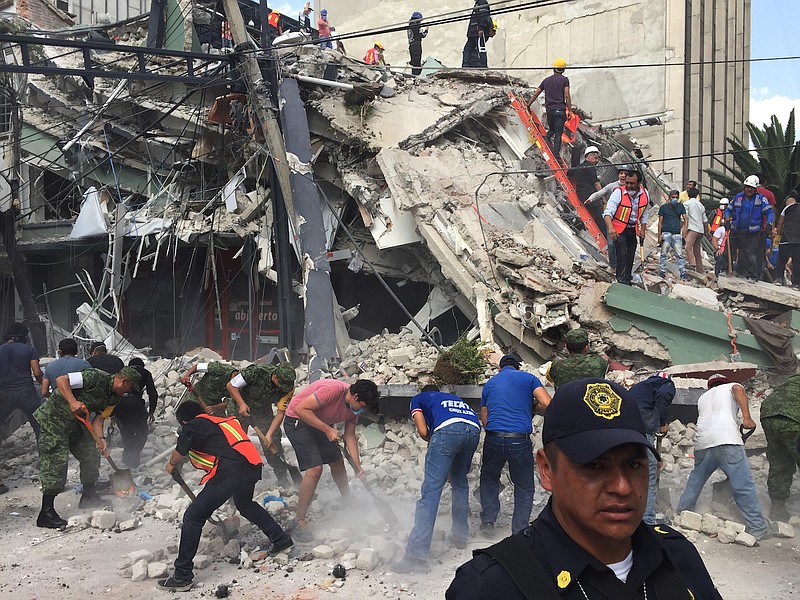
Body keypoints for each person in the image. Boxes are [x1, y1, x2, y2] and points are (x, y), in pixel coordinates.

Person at [447, 378, 723, 600]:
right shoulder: (492, 587)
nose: (622, 487)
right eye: (593, 466)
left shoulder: (677, 556)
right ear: (546, 470)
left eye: (633, 464)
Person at [157, 401, 293, 591]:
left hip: (231, 471)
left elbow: (181, 449)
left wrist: (171, 464)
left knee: (193, 517)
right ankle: (281, 539)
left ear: (185, 420)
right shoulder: (222, 421)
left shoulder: (194, 425)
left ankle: (182, 576)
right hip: (251, 466)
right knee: (244, 504)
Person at [34, 367, 141, 528]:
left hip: (77, 422)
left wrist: (101, 439)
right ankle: (46, 512)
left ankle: (88, 496)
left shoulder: (114, 399)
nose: (128, 391)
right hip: (54, 419)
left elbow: (99, 420)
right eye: (129, 388)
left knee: (91, 453)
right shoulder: (94, 377)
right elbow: (61, 380)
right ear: (124, 382)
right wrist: (72, 401)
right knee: (56, 461)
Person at [392, 385, 481, 573]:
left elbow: (424, 431)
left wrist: (438, 448)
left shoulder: (419, 398)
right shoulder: (451, 399)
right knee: (460, 483)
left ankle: (416, 554)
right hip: (473, 430)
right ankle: (460, 538)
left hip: (447, 431)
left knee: (431, 491)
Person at [279, 378, 380, 540]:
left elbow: (350, 435)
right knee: (315, 469)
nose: (361, 411)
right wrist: (327, 430)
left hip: (320, 421)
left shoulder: (354, 408)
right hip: (298, 419)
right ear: (355, 397)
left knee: (337, 461)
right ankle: (299, 520)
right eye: (362, 407)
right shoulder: (333, 390)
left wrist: (357, 466)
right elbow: (300, 408)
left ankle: (347, 500)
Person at [676, 374, 772, 540]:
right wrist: (747, 418)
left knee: (696, 480)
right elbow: (737, 389)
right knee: (743, 485)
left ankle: (682, 513)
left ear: (709, 386)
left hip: (703, 443)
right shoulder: (731, 386)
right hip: (727, 441)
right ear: (724, 382)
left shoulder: (703, 398)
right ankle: (757, 527)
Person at [480, 353, 551, 535]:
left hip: (493, 437)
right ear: (519, 367)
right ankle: (519, 531)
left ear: (500, 368)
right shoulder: (528, 378)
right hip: (519, 439)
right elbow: (547, 403)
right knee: (524, 486)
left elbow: (485, 420)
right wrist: (532, 408)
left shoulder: (490, 384)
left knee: (489, 478)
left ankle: (488, 522)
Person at [225, 362, 296, 487]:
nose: (283, 389)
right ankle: (232, 482)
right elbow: (231, 386)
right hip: (238, 406)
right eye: (282, 385)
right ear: (275, 377)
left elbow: (280, 413)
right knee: (236, 444)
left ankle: (283, 480)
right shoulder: (256, 372)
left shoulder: (288, 388)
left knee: (273, 443)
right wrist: (241, 404)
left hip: (262, 411)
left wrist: (268, 435)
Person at [629, 372, 676, 524]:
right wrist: (662, 422)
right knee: (647, 473)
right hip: (643, 429)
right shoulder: (665, 384)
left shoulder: (640, 388)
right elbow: (664, 394)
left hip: (626, 429)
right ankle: (647, 519)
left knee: (631, 470)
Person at [759, 374, 800, 521]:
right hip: (794, 418)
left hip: (768, 414)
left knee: (780, 462)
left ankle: (777, 509)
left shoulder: (792, 380)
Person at [603, 169, 650, 285]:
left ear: (638, 183)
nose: (628, 185)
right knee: (622, 254)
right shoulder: (618, 193)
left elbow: (644, 214)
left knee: (630, 254)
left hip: (632, 229)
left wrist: (642, 230)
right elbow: (608, 212)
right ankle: (621, 280)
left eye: (631, 183)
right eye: (626, 182)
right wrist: (610, 228)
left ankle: (627, 278)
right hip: (618, 229)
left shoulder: (645, 195)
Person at [724, 175, 775, 280]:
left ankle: (751, 275)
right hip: (736, 230)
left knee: (750, 254)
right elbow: (728, 210)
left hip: (752, 233)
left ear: (756, 189)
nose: (748, 189)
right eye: (747, 187)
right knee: (729, 250)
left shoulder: (761, 199)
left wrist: (770, 224)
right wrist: (727, 219)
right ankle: (725, 270)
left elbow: (770, 212)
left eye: (751, 188)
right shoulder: (738, 197)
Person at [112, 357, 158, 468]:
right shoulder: (145, 373)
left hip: (119, 404)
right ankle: (133, 455)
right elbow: (152, 393)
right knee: (142, 431)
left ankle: (128, 456)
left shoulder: (121, 373)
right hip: (136, 404)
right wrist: (151, 411)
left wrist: (112, 415)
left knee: (125, 430)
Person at [0, 322, 43, 438]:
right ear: (20, 335)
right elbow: (37, 373)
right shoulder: (29, 350)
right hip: (26, 392)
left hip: (4, 394)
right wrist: (43, 385)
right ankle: (44, 455)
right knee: (38, 425)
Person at [586, 164, 632, 269]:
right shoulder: (612, 186)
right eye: (621, 173)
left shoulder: (633, 188)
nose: (623, 176)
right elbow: (600, 193)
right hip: (611, 219)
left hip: (625, 221)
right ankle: (613, 266)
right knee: (611, 245)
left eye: (626, 173)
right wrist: (591, 198)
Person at [527, 58, 571, 159]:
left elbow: (535, 94)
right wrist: (570, 111)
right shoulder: (565, 80)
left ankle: (547, 137)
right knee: (558, 133)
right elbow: (567, 96)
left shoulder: (546, 81)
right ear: (563, 70)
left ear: (553, 69)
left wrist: (528, 105)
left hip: (550, 110)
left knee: (552, 129)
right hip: (560, 110)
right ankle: (556, 154)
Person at [568, 146, 603, 232]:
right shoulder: (590, 167)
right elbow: (596, 183)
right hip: (590, 195)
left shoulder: (579, 167)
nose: (597, 160)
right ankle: (605, 234)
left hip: (582, 195)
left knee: (594, 215)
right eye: (595, 158)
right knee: (600, 216)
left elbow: (569, 173)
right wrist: (603, 196)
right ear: (589, 156)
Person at [657, 189, 688, 279]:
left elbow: (685, 218)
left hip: (676, 233)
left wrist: (685, 229)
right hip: (666, 232)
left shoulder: (680, 207)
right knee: (663, 253)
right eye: (673, 197)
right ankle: (662, 270)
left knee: (679, 254)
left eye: (676, 198)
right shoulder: (663, 207)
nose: (675, 199)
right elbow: (660, 222)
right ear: (669, 198)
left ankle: (683, 271)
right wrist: (659, 235)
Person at [774, 191, 800, 286]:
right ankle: (797, 284)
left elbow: (780, 223)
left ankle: (779, 279)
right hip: (798, 240)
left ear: (788, 203)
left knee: (781, 259)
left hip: (786, 237)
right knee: (797, 261)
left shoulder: (787, 208)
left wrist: (778, 236)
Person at [683, 188, 709, 274]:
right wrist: (707, 232)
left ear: (688, 195)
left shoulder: (687, 204)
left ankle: (692, 265)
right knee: (697, 252)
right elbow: (705, 220)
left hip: (693, 229)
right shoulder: (700, 205)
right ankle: (700, 270)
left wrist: (684, 229)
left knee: (687, 247)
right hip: (700, 230)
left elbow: (684, 217)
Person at [461, 0, 491, 68]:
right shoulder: (477, 4)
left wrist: (481, 28)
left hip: (478, 33)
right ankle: (466, 66)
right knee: (467, 49)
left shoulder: (482, 2)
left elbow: (484, 15)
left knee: (480, 49)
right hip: (472, 33)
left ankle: (483, 66)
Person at [407, 11, 428, 76]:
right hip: (416, 45)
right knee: (417, 63)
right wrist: (426, 30)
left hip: (411, 45)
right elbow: (422, 35)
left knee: (414, 63)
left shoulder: (410, 26)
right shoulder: (415, 26)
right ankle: (416, 76)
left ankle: (414, 76)